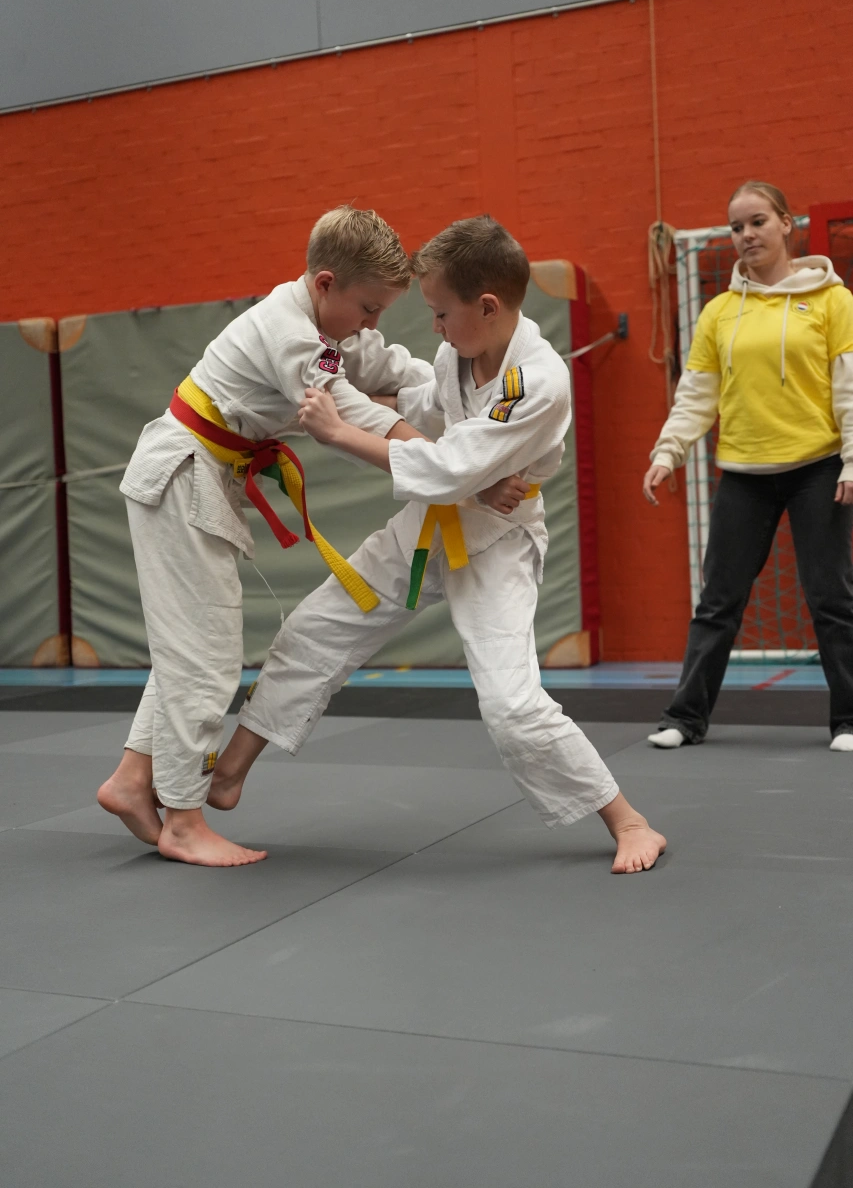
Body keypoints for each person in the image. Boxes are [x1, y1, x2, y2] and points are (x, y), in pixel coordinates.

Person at [210, 216, 667, 874]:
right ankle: (230, 770)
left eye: (441, 313)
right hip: (426, 528)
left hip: (496, 547)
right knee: (316, 628)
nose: (434, 328)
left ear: (488, 306)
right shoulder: (461, 352)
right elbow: (427, 406)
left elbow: (452, 466)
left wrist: (339, 431)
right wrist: (359, 392)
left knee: (509, 704)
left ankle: (629, 821)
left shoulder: (536, 381)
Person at [97, 207, 438, 865]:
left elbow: (380, 363)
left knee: (190, 641)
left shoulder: (325, 324)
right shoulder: (291, 334)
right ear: (325, 283)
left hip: (200, 475)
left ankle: (133, 780)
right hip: (183, 474)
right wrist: (436, 454)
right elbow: (347, 408)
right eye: (368, 307)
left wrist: (456, 381)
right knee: (207, 653)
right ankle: (183, 820)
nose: (372, 323)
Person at [643, 180, 853, 750]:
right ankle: (685, 718)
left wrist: (850, 462)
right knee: (718, 601)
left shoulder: (832, 301)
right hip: (743, 474)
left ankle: (849, 720)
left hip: (818, 468)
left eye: (758, 221)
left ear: (786, 223)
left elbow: (847, 386)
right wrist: (668, 451)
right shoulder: (719, 312)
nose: (746, 235)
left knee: (831, 599)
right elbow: (697, 393)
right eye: (737, 227)